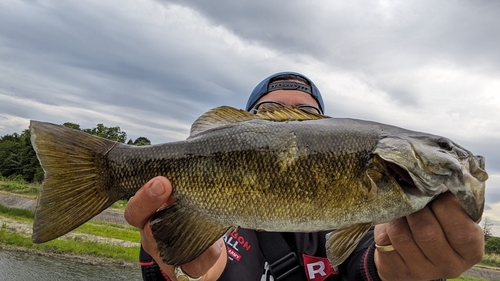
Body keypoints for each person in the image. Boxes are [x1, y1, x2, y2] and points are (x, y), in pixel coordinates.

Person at [124, 72, 485, 281]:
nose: (288, 117)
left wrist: (398, 267)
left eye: (306, 114)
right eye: (270, 111)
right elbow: (182, 262)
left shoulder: (368, 216)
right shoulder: (197, 209)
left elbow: (367, 263)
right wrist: (200, 273)